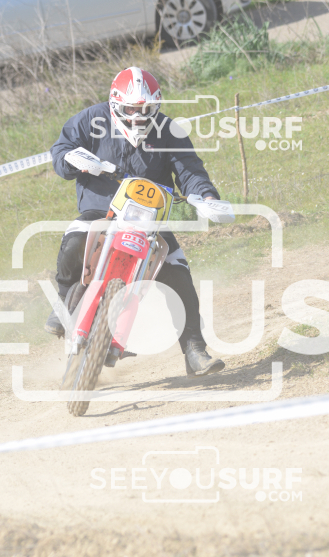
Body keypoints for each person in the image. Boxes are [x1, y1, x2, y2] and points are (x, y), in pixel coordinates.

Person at [45, 66, 225, 378]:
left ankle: (194, 349)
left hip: (150, 222)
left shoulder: (169, 131)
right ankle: (62, 305)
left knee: (179, 273)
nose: (139, 116)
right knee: (73, 242)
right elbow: (61, 151)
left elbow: (191, 171)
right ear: (115, 104)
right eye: (131, 109)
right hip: (100, 212)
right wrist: (72, 160)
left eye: (146, 109)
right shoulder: (90, 120)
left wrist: (207, 197)